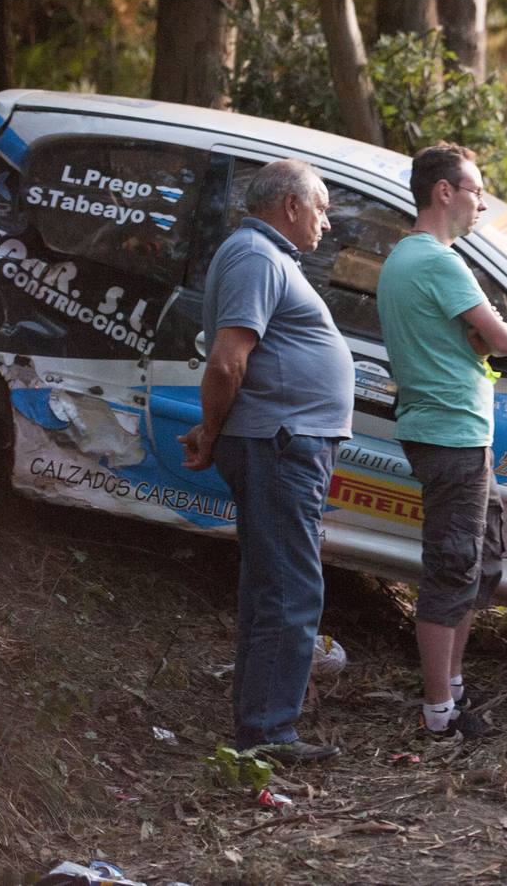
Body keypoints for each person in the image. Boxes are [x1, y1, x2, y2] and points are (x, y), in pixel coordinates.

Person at [178, 159, 353, 763]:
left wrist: (214, 428)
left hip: (282, 442)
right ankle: (269, 735)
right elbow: (228, 361)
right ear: (292, 205)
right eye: (323, 207)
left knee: (272, 587)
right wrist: (212, 428)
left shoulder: (264, 256)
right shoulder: (256, 255)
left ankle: (260, 728)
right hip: (280, 444)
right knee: (288, 591)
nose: (326, 223)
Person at [376, 143, 507, 741]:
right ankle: (439, 712)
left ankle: (453, 689)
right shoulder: (437, 262)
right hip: (450, 434)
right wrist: (488, 334)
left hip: (452, 432)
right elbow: (503, 341)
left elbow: (476, 340)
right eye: (476, 190)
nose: (481, 202)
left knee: (479, 560)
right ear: (444, 192)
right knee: (452, 566)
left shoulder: (406, 259)